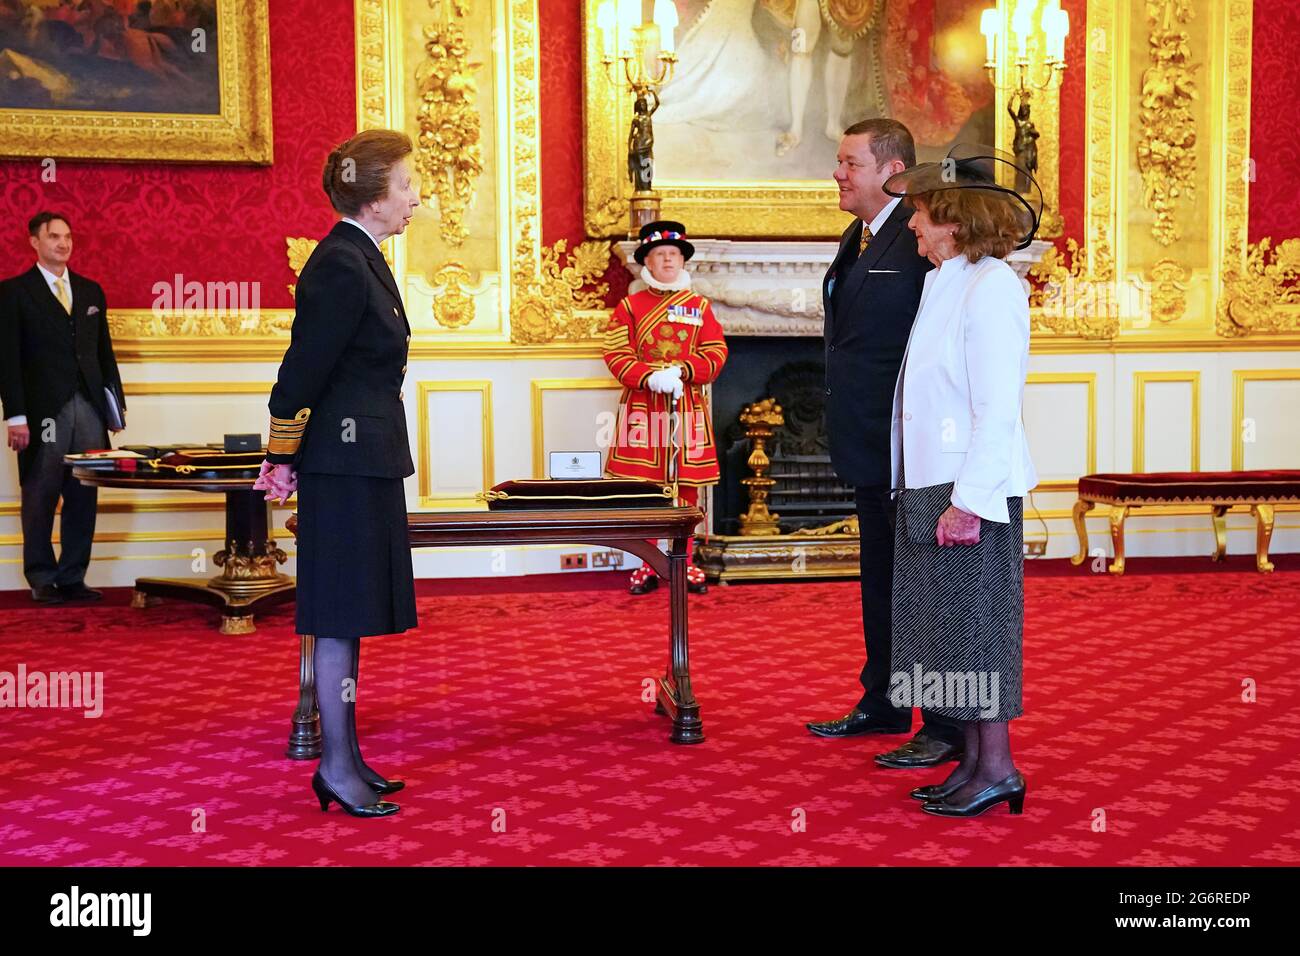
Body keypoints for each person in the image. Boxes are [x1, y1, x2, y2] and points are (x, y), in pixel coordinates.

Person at [254, 129, 421, 819]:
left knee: (349, 618)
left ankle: (347, 759)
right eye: (408, 184)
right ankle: (335, 766)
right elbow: (303, 368)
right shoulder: (341, 264)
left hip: (364, 459)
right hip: (344, 463)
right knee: (337, 618)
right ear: (375, 195)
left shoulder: (363, 255)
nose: (416, 196)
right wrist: (281, 453)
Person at [881, 144, 1040, 816]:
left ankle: (998, 767)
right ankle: (971, 763)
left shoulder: (994, 286)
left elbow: (996, 406)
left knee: (976, 631)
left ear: (954, 218)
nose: (911, 224)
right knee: (942, 634)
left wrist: (969, 502)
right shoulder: (944, 281)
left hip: (969, 489)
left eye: (920, 212)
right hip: (929, 483)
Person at [805, 119, 966, 771]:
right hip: (873, 446)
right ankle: (887, 701)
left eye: (850, 163)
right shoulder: (862, 233)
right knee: (882, 580)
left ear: (892, 169)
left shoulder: (929, 240)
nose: (838, 174)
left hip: (918, 451)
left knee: (927, 589)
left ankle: (945, 724)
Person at [0, 211, 125, 606]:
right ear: (34, 242)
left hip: (88, 408)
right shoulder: (14, 293)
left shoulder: (90, 292)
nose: (63, 243)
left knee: (83, 492)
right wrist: (15, 417)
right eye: (54, 236)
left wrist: (114, 408)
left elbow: (104, 354)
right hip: (44, 416)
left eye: (67, 236)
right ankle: (41, 576)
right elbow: (8, 359)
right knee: (41, 491)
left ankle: (73, 576)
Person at [602, 220, 727, 595]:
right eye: (661, 255)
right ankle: (647, 564)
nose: (668, 260)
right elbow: (615, 352)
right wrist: (648, 376)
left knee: (686, 489)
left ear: (682, 261)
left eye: (674, 254)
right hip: (644, 408)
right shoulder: (630, 306)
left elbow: (717, 352)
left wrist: (686, 369)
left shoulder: (699, 306)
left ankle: (683, 564)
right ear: (648, 264)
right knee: (645, 492)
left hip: (686, 407)